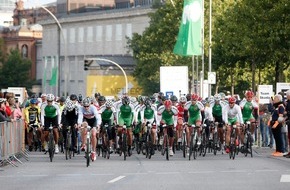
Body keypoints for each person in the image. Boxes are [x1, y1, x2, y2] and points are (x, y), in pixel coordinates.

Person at [79, 97, 101, 161]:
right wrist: (79, 124)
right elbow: (80, 116)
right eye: (84, 106)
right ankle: (83, 144)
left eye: (87, 106)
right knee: (84, 126)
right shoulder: (81, 108)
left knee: (94, 134)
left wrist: (98, 125)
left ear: (90, 104)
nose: (86, 108)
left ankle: (94, 151)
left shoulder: (93, 108)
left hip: (93, 121)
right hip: (86, 120)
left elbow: (97, 117)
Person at [284, 90, 290, 158]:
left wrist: (286, 113)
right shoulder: (288, 102)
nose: (287, 96)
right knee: (288, 137)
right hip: (288, 120)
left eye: (287, 95)